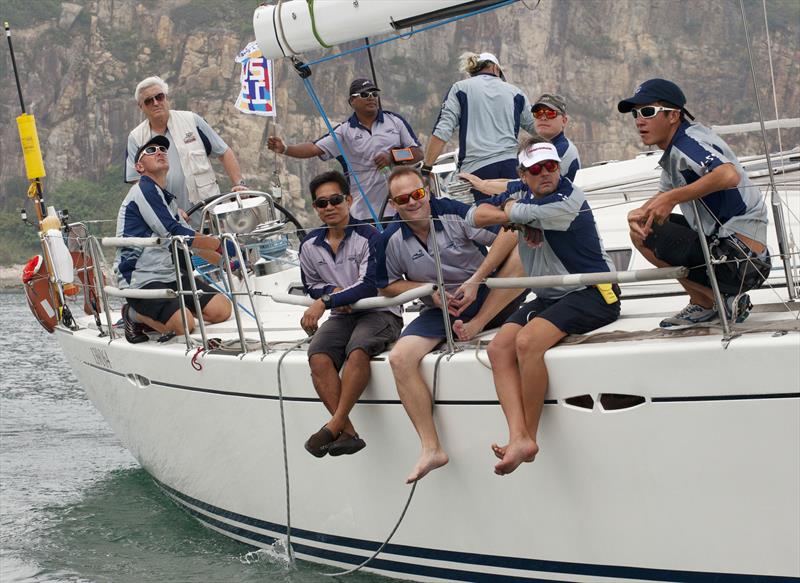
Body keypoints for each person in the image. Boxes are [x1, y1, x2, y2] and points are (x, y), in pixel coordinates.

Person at [466, 141, 621, 476]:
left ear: (559, 168)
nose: (545, 173)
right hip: (552, 295)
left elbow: (532, 213)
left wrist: (517, 215)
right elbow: (473, 215)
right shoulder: (524, 195)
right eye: (535, 170)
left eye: (550, 166)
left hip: (594, 290)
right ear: (523, 174)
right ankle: (517, 434)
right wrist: (520, 218)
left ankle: (528, 438)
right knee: (497, 349)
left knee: (526, 343)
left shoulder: (569, 199)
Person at [376, 166, 524, 483]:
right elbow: (386, 284)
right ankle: (431, 448)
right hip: (443, 308)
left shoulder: (454, 214)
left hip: (489, 295)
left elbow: (511, 232)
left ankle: (478, 323)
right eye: (403, 199)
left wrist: (476, 279)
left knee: (525, 254)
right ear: (392, 204)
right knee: (400, 358)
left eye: (417, 194)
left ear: (427, 191)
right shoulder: (390, 239)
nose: (412, 203)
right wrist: (430, 292)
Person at [619, 78, 770, 328]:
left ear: (673, 116)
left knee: (644, 236)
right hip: (740, 257)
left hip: (739, 259)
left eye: (647, 111)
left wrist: (671, 198)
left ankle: (713, 302)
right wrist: (638, 213)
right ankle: (712, 302)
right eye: (635, 114)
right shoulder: (675, 151)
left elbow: (728, 175)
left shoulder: (687, 143)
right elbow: (660, 199)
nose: (639, 120)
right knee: (643, 225)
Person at [298, 171, 403, 458]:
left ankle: (334, 426)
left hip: (380, 311)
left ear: (349, 200)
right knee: (318, 356)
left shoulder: (370, 236)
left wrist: (327, 300)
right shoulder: (309, 244)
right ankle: (349, 434)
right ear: (315, 208)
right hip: (342, 316)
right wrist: (334, 294)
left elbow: (369, 286)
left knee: (358, 351)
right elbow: (311, 284)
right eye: (321, 203)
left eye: (335, 200)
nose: (329, 207)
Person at [115, 135, 232, 343]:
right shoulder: (143, 190)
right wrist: (219, 244)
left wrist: (228, 261)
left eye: (162, 148)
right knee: (185, 325)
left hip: (169, 274)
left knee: (222, 309)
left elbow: (191, 243)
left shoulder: (166, 199)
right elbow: (174, 232)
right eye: (150, 151)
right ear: (139, 167)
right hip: (141, 280)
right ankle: (133, 313)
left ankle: (175, 310)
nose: (159, 151)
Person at [267, 78, 423, 221]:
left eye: (374, 93)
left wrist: (393, 156)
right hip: (363, 212)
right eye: (364, 94)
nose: (371, 97)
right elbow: (314, 148)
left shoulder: (394, 121)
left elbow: (418, 153)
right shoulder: (344, 131)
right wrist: (285, 148)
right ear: (352, 101)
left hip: (402, 206)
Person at [422, 52, 535, 200]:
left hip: (476, 171)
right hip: (511, 167)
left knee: (487, 220)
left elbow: (442, 131)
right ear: (496, 68)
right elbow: (537, 128)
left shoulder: (460, 89)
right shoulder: (516, 93)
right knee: (514, 218)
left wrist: (426, 168)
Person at [125, 76, 248, 212]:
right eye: (148, 101)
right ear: (140, 106)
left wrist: (239, 184)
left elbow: (224, 152)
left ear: (166, 98)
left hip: (208, 211)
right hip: (169, 218)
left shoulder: (192, 121)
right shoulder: (136, 138)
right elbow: (136, 180)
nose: (155, 103)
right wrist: (163, 208)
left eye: (159, 97)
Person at [459, 93, 580, 196]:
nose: (543, 117)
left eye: (550, 113)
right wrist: (482, 183)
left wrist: (483, 185)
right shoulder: (540, 149)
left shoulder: (561, 151)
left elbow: (523, 186)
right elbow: (520, 181)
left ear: (564, 121)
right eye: (538, 113)